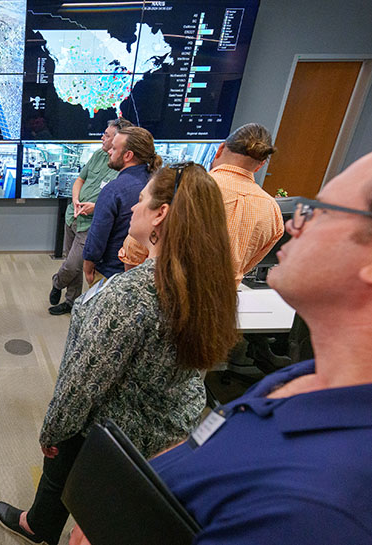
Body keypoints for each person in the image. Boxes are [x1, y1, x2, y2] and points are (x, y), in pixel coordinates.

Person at [0, 164, 239, 545]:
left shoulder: (130, 295)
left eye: (141, 200)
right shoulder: (211, 282)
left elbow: (82, 381)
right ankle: (41, 523)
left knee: (63, 452)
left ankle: (39, 524)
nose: (133, 208)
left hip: (118, 441)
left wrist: (52, 431)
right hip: (173, 433)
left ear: (161, 214)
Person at [144, 151, 372, 544]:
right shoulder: (305, 377)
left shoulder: (322, 509)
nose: (291, 224)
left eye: (319, 211)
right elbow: (216, 436)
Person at [119, 123, 284, 282]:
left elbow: (135, 248)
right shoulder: (272, 211)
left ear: (220, 149)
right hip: (219, 306)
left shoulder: (184, 185)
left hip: (163, 296)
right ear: (260, 165)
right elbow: (246, 266)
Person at [48, 118, 133, 315]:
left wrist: (94, 207)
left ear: (119, 140)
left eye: (107, 135)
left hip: (90, 225)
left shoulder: (123, 171)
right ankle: (71, 302)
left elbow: (113, 204)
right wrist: (76, 200)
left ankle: (57, 282)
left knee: (72, 265)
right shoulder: (97, 155)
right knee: (73, 268)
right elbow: (80, 179)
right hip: (73, 216)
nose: (102, 138)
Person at [78, 127, 161, 299]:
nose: (109, 151)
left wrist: (88, 265)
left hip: (111, 274)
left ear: (128, 155)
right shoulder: (158, 183)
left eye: (114, 148)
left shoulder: (113, 190)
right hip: (146, 274)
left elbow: (97, 235)